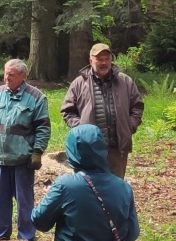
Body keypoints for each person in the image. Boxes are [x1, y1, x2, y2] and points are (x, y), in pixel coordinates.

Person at [0, 59, 50, 241]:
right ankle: (0, 236)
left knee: (24, 201)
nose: (6, 78)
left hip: (22, 159)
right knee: (1, 199)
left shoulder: (36, 97)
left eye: (11, 75)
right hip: (0, 157)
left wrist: (37, 152)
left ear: (22, 75)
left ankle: (26, 239)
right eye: (5, 73)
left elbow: (43, 128)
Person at [61, 43, 144, 179]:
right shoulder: (79, 83)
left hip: (117, 149)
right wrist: (81, 129)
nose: (104, 63)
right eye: (99, 59)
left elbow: (137, 106)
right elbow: (67, 111)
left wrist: (129, 126)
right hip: (89, 149)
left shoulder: (125, 81)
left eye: (107, 59)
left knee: (116, 186)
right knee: (90, 186)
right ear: (91, 61)